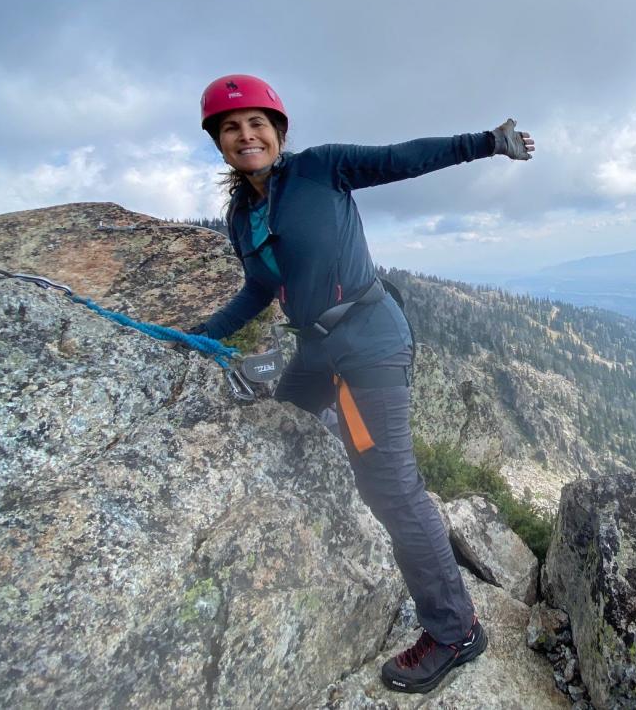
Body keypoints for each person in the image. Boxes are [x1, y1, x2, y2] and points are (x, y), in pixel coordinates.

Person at [190, 74, 534, 694]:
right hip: (318, 352)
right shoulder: (243, 215)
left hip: (371, 343)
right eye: (232, 128)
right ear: (219, 142)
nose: (247, 135)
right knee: (286, 423)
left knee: (393, 489)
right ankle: (346, 429)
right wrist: (192, 336)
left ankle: (455, 632)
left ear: (279, 131)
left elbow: (403, 159)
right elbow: (259, 290)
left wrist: (487, 141)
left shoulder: (322, 170)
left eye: (257, 124)